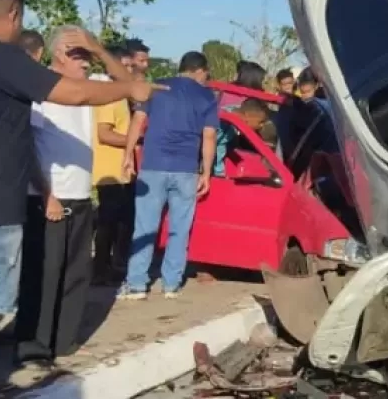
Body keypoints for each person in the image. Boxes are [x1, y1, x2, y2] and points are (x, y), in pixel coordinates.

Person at [0, 0, 161, 330]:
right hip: (0, 203)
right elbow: (76, 94)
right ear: (14, 13)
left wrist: (99, 50)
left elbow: (97, 88)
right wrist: (132, 87)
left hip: (40, 197)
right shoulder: (4, 59)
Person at [15, 26, 133, 370]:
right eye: (78, 55)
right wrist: (47, 194)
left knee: (75, 273)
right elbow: (26, 149)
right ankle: (33, 348)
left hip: (80, 196)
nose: (85, 62)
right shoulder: (40, 89)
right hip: (47, 198)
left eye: (87, 56)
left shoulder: (89, 86)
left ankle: (64, 341)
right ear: (60, 54)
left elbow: (128, 82)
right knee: (43, 275)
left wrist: (97, 48)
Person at [118, 51, 219, 300]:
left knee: (145, 227)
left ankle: (137, 284)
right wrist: (206, 172)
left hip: (153, 165)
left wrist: (128, 154)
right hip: (186, 169)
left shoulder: (157, 87)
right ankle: (171, 284)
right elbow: (209, 136)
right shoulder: (206, 96)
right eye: (206, 74)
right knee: (179, 229)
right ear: (199, 70)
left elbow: (138, 120)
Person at [91, 45, 136, 286]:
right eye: (124, 66)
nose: (128, 70)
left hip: (120, 169)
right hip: (109, 170)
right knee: (108, 223)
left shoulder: (121, 96)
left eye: (130, 66)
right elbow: (104, 133)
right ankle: (100, 269)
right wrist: (135, 139)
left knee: (118, 222)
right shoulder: (111, 97)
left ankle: (110, 267)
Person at [214, 98, 272, 177]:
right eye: (261, 122)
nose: (261, 126)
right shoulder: (224, 123)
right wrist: (219, 173)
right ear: (247, 115)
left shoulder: (232, 120)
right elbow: (212, 145)